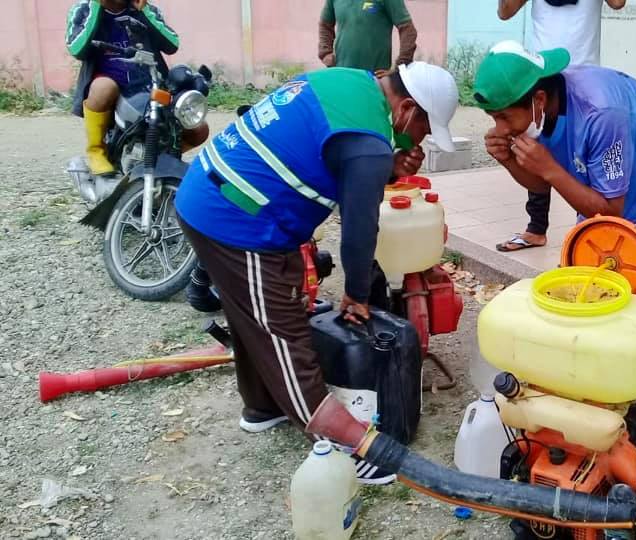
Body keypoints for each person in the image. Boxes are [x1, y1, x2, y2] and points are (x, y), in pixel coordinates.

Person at [175, 63, 458, 484]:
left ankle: (263, 406)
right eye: (424, 129)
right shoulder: (369, 144)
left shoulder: (350, 81)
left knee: (256, 313)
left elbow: (336, 158)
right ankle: (347, 446)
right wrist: (357, 293)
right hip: (236, 218)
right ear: (407, 109)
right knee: (282, 331)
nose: (420, 139)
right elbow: (360, 229)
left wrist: (390, 167)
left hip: (213, 192)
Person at [474, 41, 636, 307]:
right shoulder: (539, 114)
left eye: (504, 117)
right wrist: (509, 160)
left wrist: (550, 168)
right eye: (493, 118)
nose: (500, 129)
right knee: (595, 302)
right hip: (602, 199)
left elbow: (610, 210)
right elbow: (541, 185)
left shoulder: (602, 113)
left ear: (539, 100)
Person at [494, 0, 626, 252]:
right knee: (535, 151)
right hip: (542, 74)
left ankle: (589, 234)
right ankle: (536, 229)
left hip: (586, 83)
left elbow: (618, 3)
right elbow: (505, 12)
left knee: (586, 164)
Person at [65, 0, 208, 178]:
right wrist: (96, 7)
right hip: (111, 87)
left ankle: (159, 157)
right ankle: (97, 151)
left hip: (149, 85)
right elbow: (77, 49)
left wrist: (144, 11)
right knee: (103, 88)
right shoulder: (84, 9)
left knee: (198, 130)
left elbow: (172, 45)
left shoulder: (146, 9)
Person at [318, 0, 418, 75]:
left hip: (374, 78)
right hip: (342, 73)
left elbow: (408, 29)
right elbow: (325, 25)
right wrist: (325, 52)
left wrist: (400, 67)